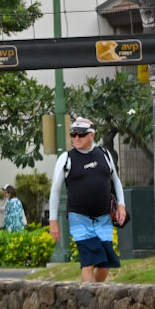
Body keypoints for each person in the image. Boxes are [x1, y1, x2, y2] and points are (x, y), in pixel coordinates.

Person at [49, 116, 127, 282]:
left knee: (105, 264)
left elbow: (116, 181)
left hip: (103, 217)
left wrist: (121, 205)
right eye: (73, 134)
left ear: (91, 135)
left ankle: (94, 294)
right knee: (89, 261)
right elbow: (55, 191)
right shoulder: (66, 158)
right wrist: (53, 220)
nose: (76, 138)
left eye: (81, 135)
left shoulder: (104, 154)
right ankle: (89, 297)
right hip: (79, 217)